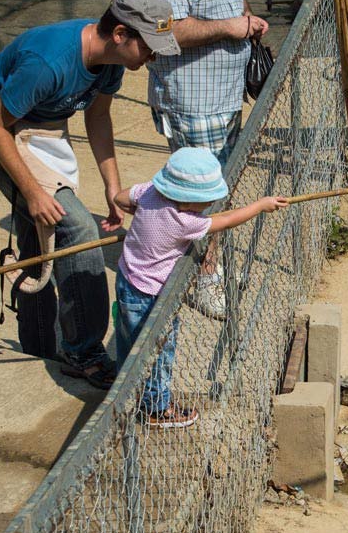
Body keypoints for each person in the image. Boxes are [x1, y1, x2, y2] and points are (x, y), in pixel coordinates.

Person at [0, 0, 181, 389]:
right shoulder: (49, 63)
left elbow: (98, 117)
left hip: (40, 128)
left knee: (41, 233)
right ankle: (84, 352)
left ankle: (40, 344)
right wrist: (32, 191)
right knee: (75, 225)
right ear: (120, 34)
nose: (153, 56)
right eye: (149, 46)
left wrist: (112, 189)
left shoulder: (111, 61)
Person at [139, 0, 270, 319]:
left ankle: (208, 264)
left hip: (225, 95)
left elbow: (237, 4)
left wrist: (248, 21)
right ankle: (204, 278)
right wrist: (233, 27)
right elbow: (164, 33)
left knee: (218, 186)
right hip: (192, 100)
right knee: (198, 198)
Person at [113, 147, 289, 427]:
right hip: (151, 295)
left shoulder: (149, 194)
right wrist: (260, 205)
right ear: (187, 200)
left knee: (128, 339)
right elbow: (226, 221)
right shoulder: (183, 221)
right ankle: (156, 409)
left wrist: (143, 216)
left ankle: (123, 387)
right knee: (159, 350)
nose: (208, 206)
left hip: (125, 279)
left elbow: (120, 197)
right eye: (204, 201)